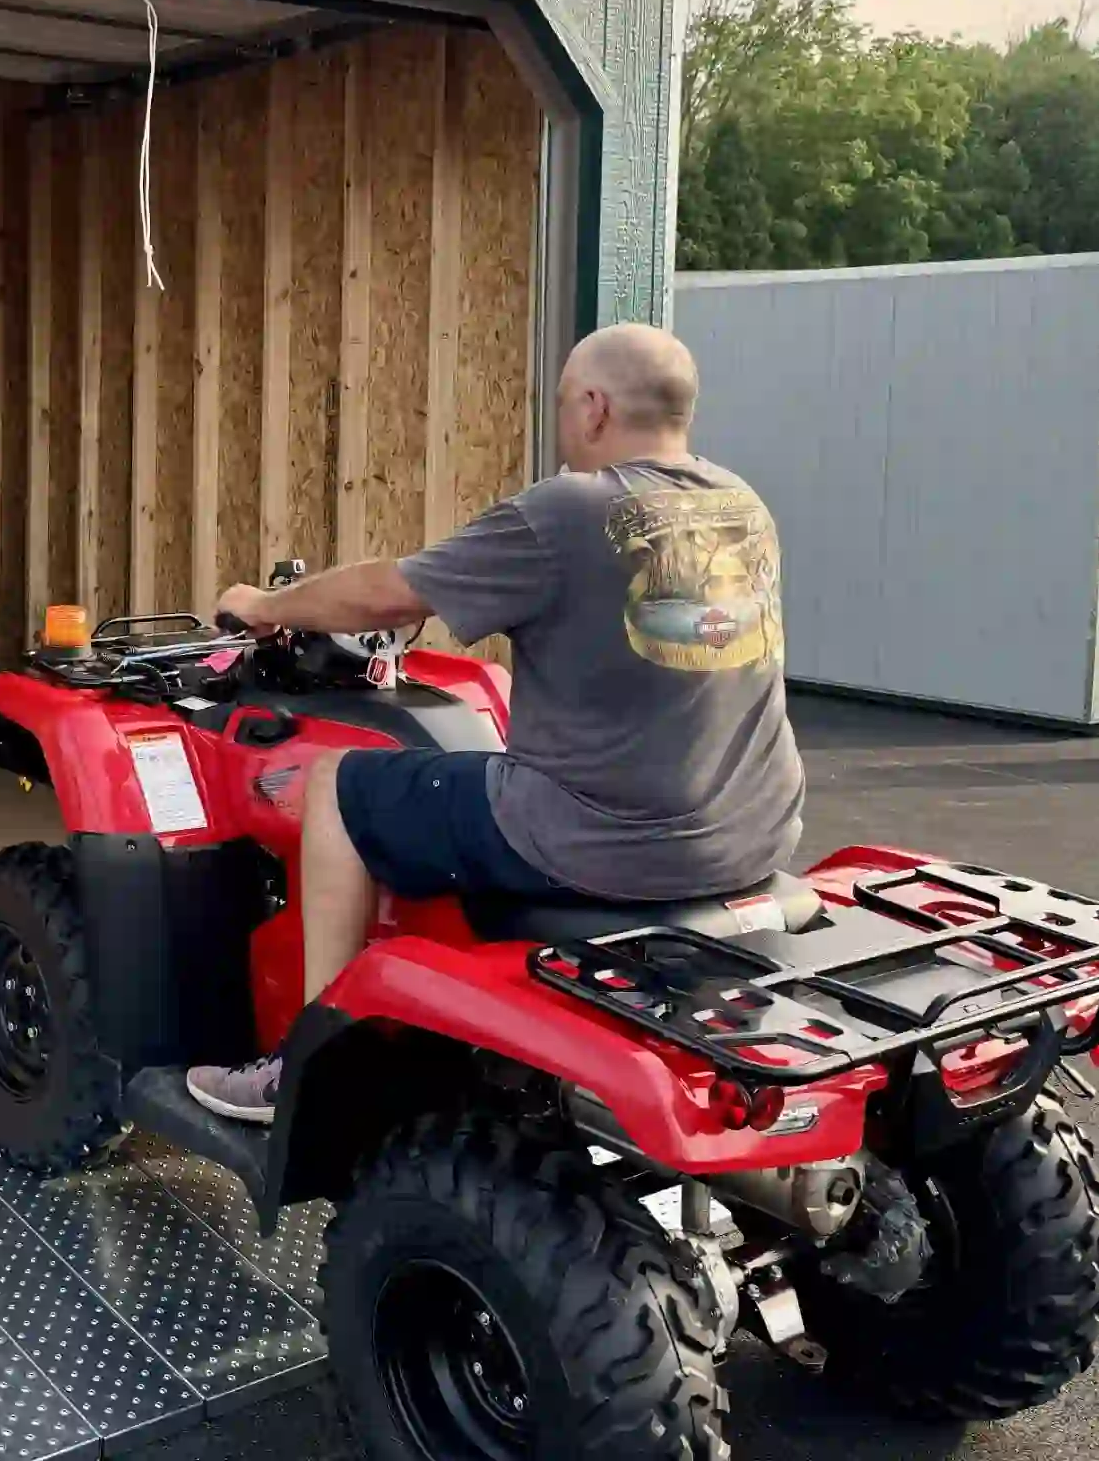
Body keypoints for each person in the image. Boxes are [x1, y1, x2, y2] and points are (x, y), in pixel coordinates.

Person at [185, 322, 804, 1125]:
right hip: (754, 835)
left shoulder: (572, 510)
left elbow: (390, 594)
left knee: (341, 783)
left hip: (605, 846)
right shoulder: (743, 505)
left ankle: (308, 1065)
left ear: (593, 407)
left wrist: (265, 607)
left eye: (561, 405)